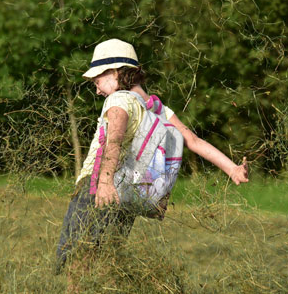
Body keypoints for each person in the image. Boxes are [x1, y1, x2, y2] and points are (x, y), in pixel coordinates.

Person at [55, 39, 249, 279]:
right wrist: (232, 169)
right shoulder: (157, 109)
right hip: (127, 197)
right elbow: (193, 141)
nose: (97, 90)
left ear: (115, 72)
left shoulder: (118, 100)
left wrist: (104, 183)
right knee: (107, 262)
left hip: (99, 190)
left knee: (78, 259)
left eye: (97, 81)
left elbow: (113, 140)